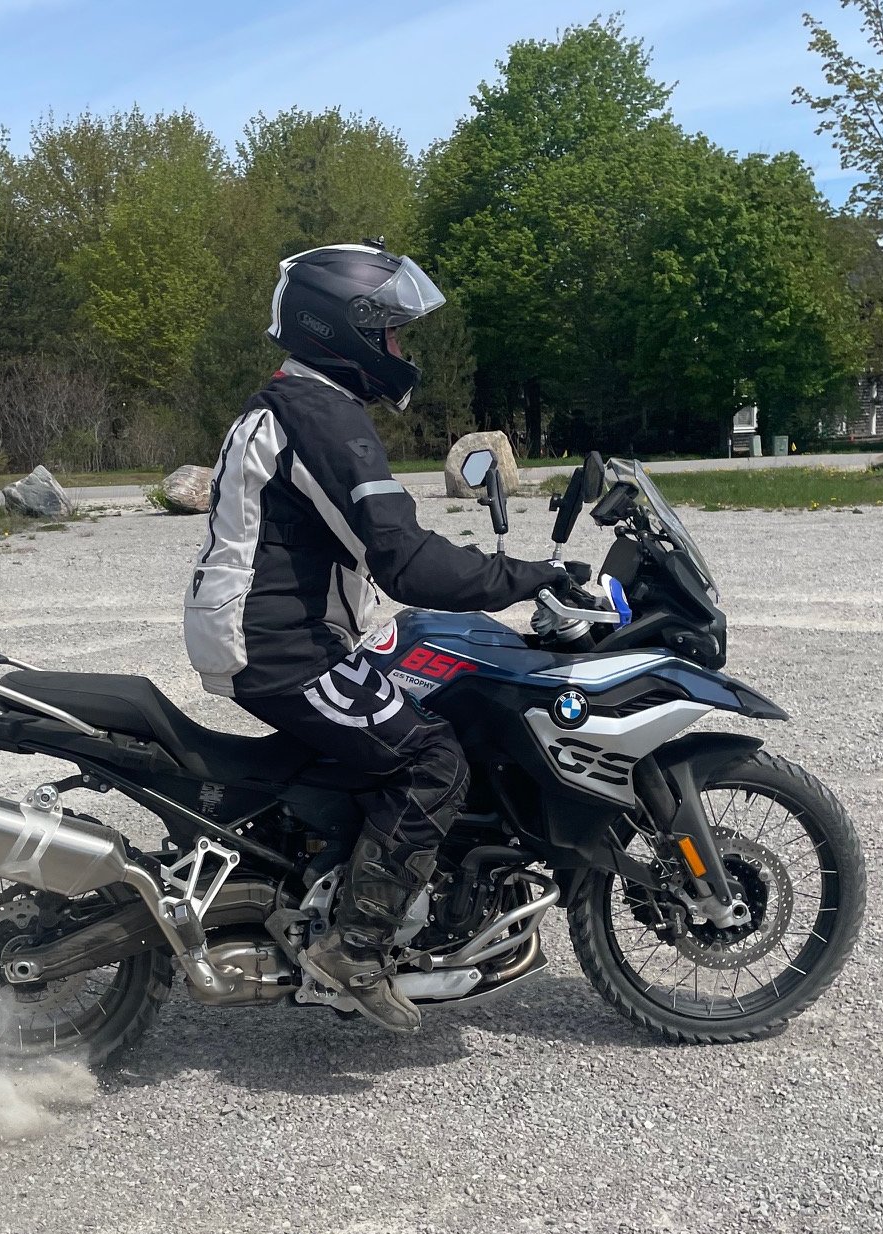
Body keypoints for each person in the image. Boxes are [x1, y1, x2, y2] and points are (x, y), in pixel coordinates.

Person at [182, 242, 588, 1033]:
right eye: (395, 334)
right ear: (347, 328)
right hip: (280, 645)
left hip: (275, 629)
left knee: (401, 698)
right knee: (433, 759)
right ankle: (355, 945)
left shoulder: (297, 404)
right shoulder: (323, 416)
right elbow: (404, 559)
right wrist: (527, 576)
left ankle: (328, 878)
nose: (402, 352)